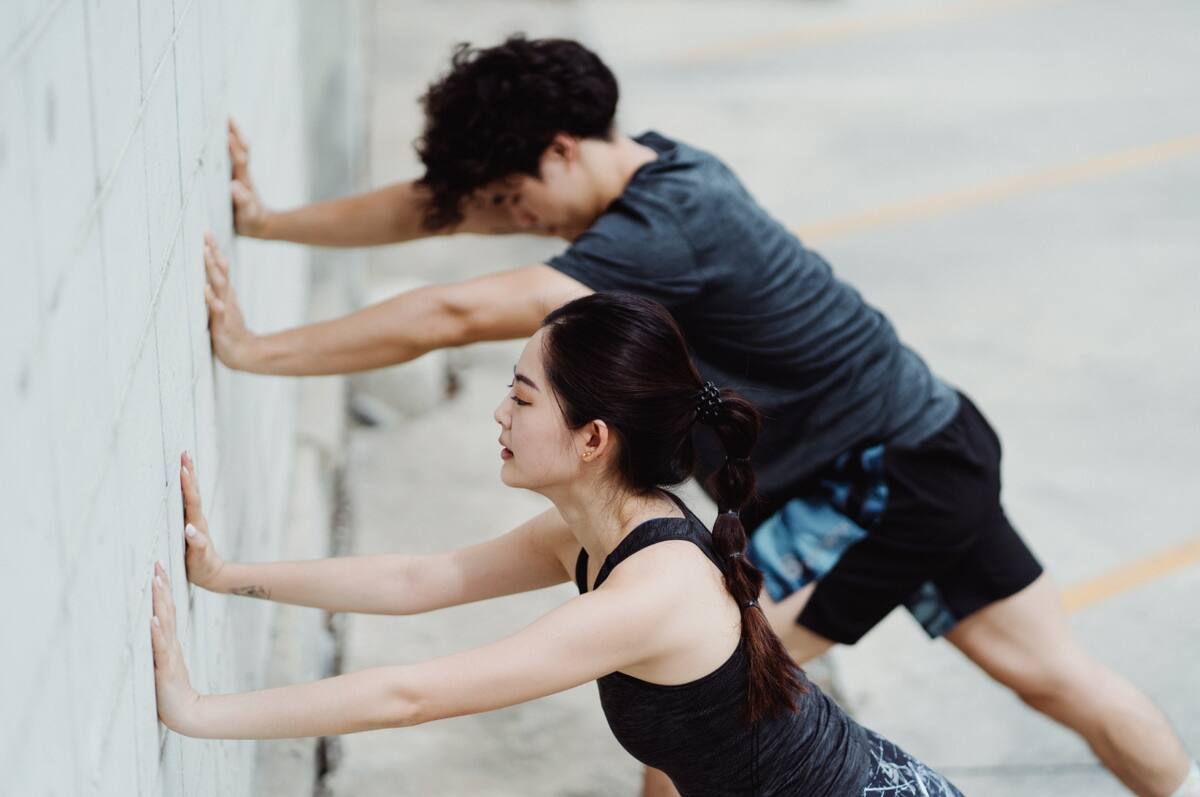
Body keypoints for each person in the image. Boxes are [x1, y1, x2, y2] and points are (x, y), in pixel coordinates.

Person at [203, 36, 1198, 797]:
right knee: (1053, 676)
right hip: (930, 440)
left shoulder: (662, 229)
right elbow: (440, 203)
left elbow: (454, 310)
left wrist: (253, 351)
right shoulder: (661, 168)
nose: (515, 222)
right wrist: (270, 221)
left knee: (701, 700)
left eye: (517, 201)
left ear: (559, 149)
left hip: (887, 478)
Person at [153, 293, 963, 796]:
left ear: (592, 438)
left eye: (521, 395)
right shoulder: (596, 531)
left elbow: (413, 696)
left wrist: (198, 712)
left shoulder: (649, 592)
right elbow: (418, 578)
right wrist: (228, 576)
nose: (500, 414)